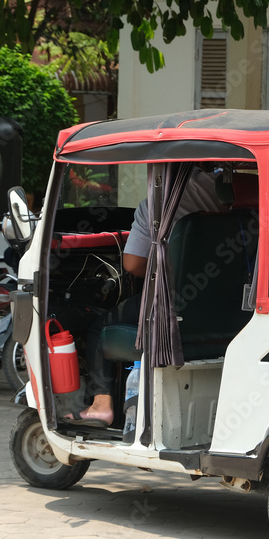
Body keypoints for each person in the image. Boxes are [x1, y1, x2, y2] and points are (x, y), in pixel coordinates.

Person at [65, 167, 225, 427]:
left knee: (100, 326)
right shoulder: (234, 194)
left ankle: (101, 406)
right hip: (230, 307)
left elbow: (133, 266)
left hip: (176, 304)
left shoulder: (155, 205)